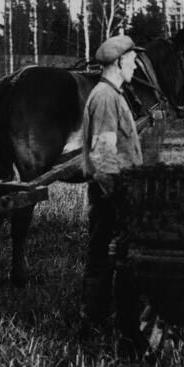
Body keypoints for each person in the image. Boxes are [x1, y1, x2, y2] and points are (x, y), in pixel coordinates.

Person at [80, 34, 144, 322]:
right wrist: (120, 199)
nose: (136, 65)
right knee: (103, 258)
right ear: (119, 61)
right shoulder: (106, 98)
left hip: (113, 191)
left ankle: (98, 320)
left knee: (105, 256)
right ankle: (95, 322)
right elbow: (103, 156)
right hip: (110, 193)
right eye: (132, 59)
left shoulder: (113, 94)